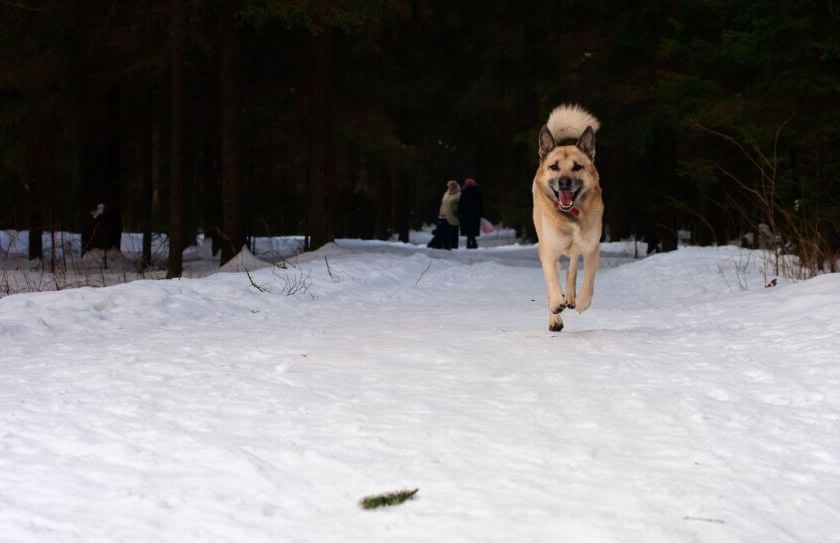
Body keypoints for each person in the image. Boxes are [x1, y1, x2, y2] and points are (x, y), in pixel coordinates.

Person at [433, 180, 460, 249]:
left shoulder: (459, 194)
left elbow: (461, 206)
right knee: (444, 231)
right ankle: (445, 245)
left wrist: (457, 213)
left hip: (453, 216)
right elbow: (442, 204)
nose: (450, 187)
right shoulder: (446, 193)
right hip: (444, 216)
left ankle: (453, 246)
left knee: (453, 231)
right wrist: (440, 213)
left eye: (452, 186)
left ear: (455, 186)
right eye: (449, 186)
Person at [458, 177, 484, 249]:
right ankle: (473, 242)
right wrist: (481, 213)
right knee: (473, 228)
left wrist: (459, 212)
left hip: (466, 214)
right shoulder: (477, 191)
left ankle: (469, 242)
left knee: (468, 229)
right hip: (475, 214)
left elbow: (461, 203)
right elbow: (480, 203)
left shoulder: (464, 191)